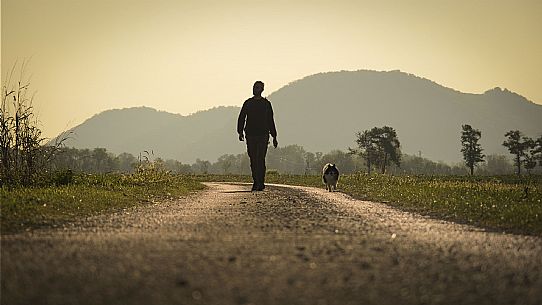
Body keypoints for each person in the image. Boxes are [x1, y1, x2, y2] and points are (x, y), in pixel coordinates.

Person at [237, 81, 278, 191]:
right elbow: (242, 117)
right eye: (254, 87)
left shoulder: (266, 104)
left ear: (262, 90)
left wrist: (274, 136)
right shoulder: (248, 103)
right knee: (253, 159)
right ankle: (256, 181)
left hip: (263, 135)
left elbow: (270, 120)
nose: (255, 89)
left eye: (258, 87)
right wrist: (240, 132)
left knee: (260, 159)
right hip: (250, 135)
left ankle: (260, 182)